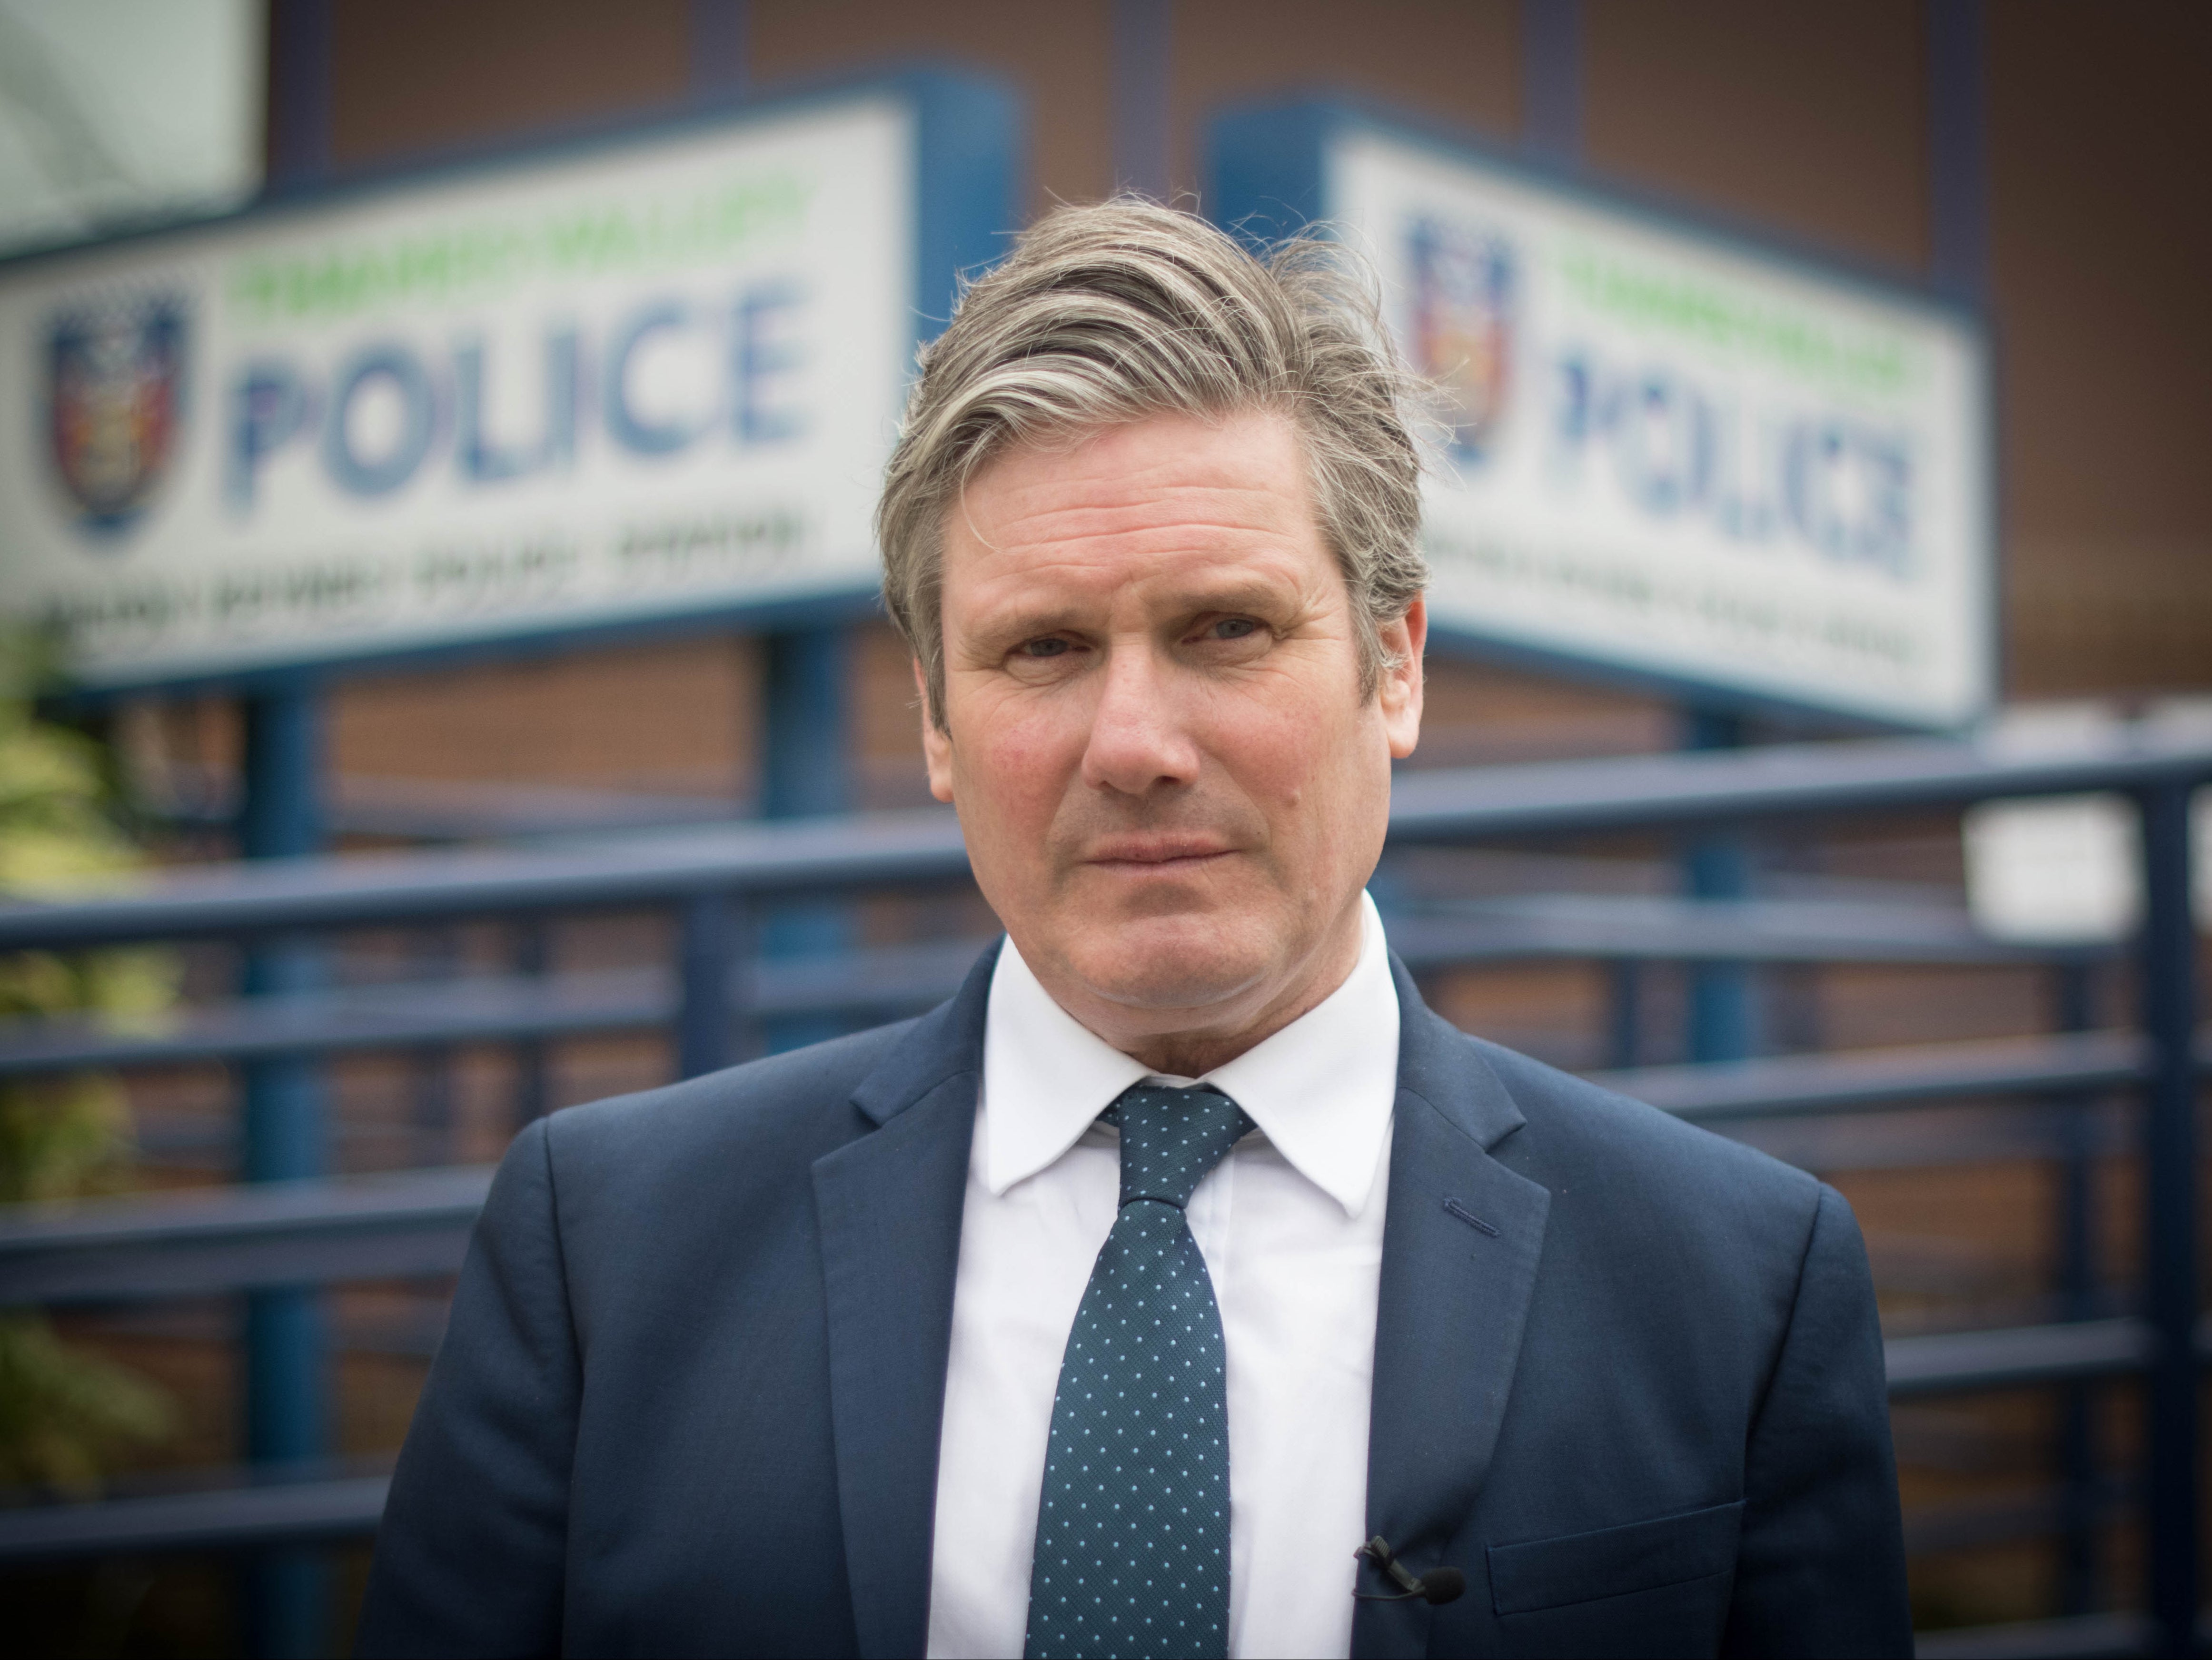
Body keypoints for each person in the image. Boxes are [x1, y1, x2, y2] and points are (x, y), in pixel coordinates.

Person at [357, 201, 1909, 1660]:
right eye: (1042, 648)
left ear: (1396, 663)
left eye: (1225, 628)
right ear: (937, 724)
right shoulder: (609, 1252)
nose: (1135, 741)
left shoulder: (1736, 1286)